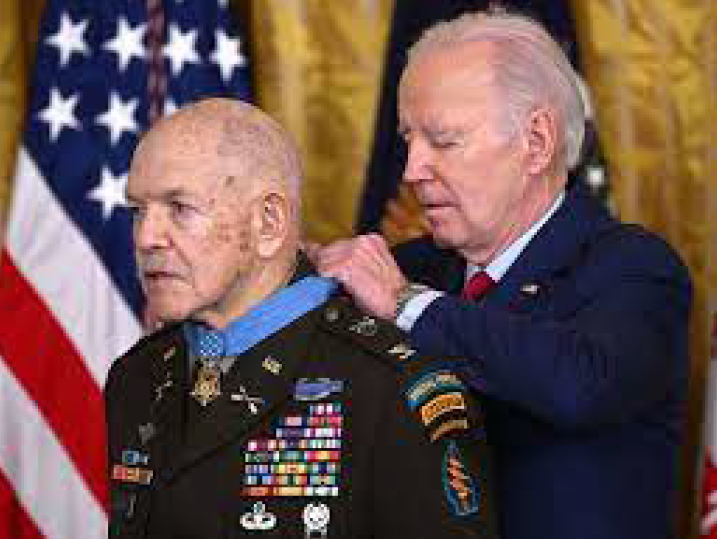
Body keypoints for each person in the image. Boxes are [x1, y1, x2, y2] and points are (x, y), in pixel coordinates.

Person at [313, 10, 692, 539]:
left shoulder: (633, 266)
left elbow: (579, 384)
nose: (411, 170)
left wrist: (405, 304)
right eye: (407, 141)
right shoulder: (413, 267)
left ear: (535, 142)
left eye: (443, 141)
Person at [104, 98, 498, 539]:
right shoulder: (136, 375)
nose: (146, 237)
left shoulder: (392, 387)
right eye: (138, 210)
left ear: (269, 223)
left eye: (179, 207)